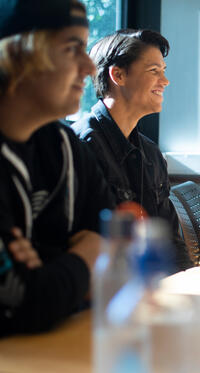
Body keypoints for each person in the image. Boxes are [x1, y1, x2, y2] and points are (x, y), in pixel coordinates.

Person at [0, 0, 114, 335]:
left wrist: (48, 262)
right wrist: (86, 251)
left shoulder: (63, 144)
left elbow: (119, 255)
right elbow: (25, 302)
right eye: (72, 48)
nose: (89, 67)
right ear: (16, 56)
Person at [72, 29, 192, 271]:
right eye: (154, 71)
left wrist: (188, 285)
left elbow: (169, 239)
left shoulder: (150, 152)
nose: (165, 81)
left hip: (152, 289)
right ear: (118, 75)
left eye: (164, 72)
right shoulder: (82, 145)